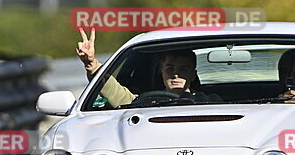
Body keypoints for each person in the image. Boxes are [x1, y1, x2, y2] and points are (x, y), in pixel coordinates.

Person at [76, 28, 221, 107]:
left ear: (193, 75)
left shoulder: (211, 103)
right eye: (170, 68)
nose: (176, 74)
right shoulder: (145, 102)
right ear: (162, 72)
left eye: (183, 69)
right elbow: (115, 92)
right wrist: (91, 64)